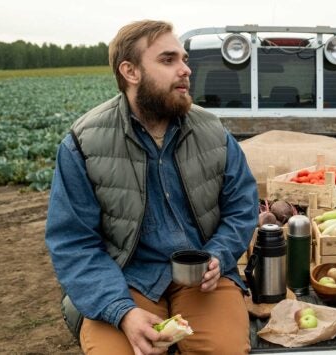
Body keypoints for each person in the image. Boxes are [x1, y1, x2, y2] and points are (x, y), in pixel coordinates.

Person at [45, 20, 258, 354]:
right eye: (168, 60)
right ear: (131, 72)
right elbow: (73, 242)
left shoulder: (213, 132)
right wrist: (122, 311)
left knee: (225, 350)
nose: (186, 70)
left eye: (185, 59)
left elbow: (243, 206)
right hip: (125, 279)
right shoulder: (83, 143)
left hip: (203, 280)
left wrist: (219, 254)